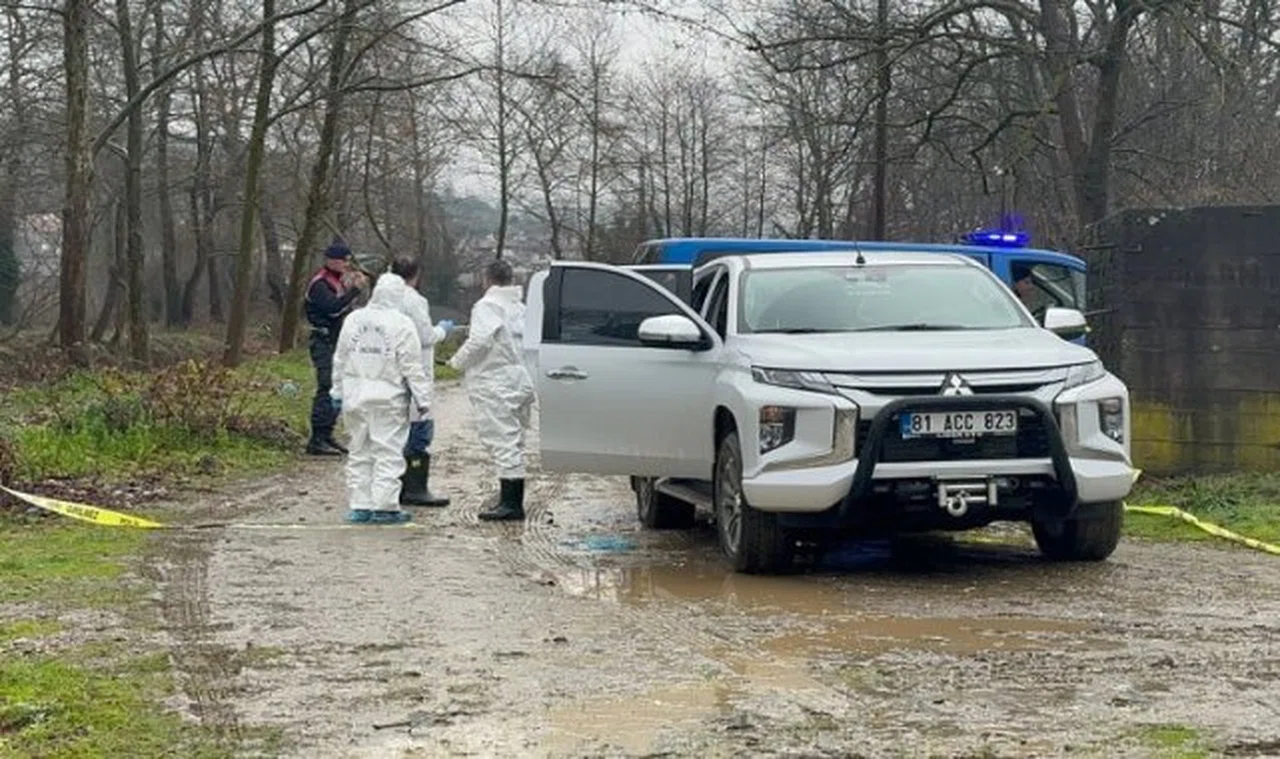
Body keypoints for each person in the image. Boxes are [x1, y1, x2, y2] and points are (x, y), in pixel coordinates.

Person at [330, 273, 434, 525]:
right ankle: (385, 506)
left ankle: (360, 504)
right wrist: (423, 400)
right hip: (388, 398)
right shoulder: (402, 324)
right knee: (387, 452)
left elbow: (341, 359)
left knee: (359, 450)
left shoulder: (354, 320)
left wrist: (336, 392)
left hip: (355, 397)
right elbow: (412, 366)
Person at [448, 259, 536, 522]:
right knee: (515, 439)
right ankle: (511, 497)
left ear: (486, 279)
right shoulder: (519, 307)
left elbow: (480, 340)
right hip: (518, 378)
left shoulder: (487, 306)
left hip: (494, 380)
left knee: (503, 441)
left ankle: (511, 503)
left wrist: (457, 361)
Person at [384, 256, 456, 507]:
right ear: (416, 275)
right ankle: (414, 487)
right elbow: (424, 336)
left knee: (393, 430)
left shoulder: (381, 299)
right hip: (415, 370)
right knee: (419, 427)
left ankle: (392, 484)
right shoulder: (414, 300)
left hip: (387, 370)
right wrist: (443, 331)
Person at [304, 238, 368, 456]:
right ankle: (317, 438)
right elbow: (332, 309)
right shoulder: (320, 284)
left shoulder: (336, 281)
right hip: (322, 341)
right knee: (327, 386)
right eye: (343, 261)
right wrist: (354, 292)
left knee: (339, 386)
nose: (346, 265)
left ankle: (327, 433)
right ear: (331, 260)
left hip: (335, 341)